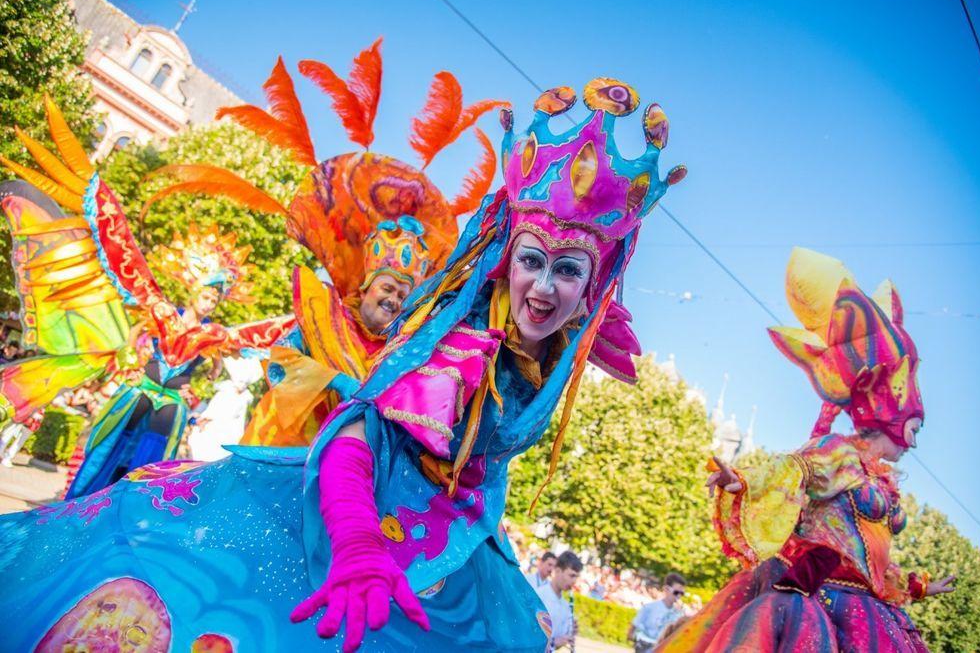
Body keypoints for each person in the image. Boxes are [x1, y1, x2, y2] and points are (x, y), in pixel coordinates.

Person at [0, 73, 686, 652]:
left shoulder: (545, 357)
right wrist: (357, 539)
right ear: (506, 262)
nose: (543, 286)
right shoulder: (457, 344)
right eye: (533, 260)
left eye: (569, 270)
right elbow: (358, 429)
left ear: (594, 288)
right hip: (343, 517)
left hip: (454, 548)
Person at [148, 40, 492, 449]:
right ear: (365, 287)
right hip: (283, 448)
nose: (393, 299)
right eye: (387, 288)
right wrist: (333, 381)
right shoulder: (323, 314)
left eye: (402, 295)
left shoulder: (401, 350)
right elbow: (279, 363)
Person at [657, 248, 956, 652]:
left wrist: (919, 586)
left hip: (865, 611)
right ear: (890, 417)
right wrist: (742, 481)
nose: (914, 442)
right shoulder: (841, 454)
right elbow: (793, 470)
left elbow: (872, 564)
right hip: (818, 602)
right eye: (914, 428)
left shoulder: (882, 480)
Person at [0, 99, 296, 499]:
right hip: (135, 395)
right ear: (193, 288)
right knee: (100, 463)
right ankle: (76, 507)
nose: (210, 301)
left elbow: (269, 332)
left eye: (216, 297)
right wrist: (98, 196)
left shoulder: (215, 336)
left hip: (170, 409)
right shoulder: (160, 310)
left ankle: (122, 520)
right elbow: (122, 252)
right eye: (206, 292)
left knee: (143, 478)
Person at [536, 551, 583, 651]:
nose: (574, 581)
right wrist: (553, 642)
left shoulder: (566, 606)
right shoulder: (539, 596)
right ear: (558, 571)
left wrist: (569, 633)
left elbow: (559, 643)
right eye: (571, 575)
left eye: (576, 577)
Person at [629, 572, 685, 652]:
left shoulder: (678, 614)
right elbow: (633, 627)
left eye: (681, 593)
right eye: (676, 592)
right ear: (666, 589)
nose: (679, 596)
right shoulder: (649, 608)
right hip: (645, 646)